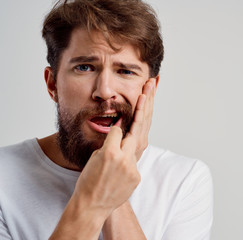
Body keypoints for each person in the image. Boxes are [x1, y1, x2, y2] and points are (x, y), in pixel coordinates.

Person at [0, 0, 213, 239]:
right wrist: (94, 200)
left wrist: (113, 189)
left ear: (150, 90)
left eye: (125, 71)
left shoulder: (184, 180)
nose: (104, 90)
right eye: (85, 67)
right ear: (53, 84)